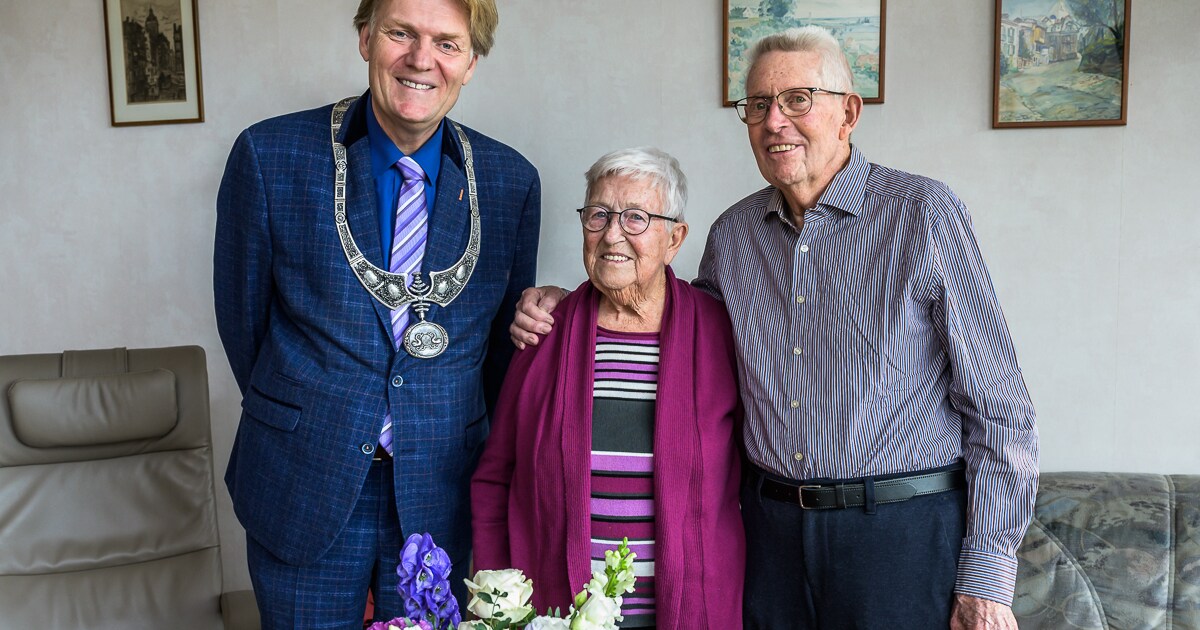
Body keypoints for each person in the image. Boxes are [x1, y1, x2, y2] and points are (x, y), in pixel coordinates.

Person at [509, 26, 1037, 630]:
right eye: (758, 105)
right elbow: (675, 332)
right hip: (769, 537)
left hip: (899, 534)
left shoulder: (924, 213)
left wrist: (989, 578)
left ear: (849, 113)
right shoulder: (733, 235)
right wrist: (561, 300)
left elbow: (1000, 405)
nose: (774, 120)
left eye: (797, 100)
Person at [213, 0, 540, 626]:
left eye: (448, 43)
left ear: (471, 62)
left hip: (442, 487)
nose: (423, 60)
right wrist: (309, 413)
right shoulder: (269, 156)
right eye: (401, 34)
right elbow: (243, 323)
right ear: (366, 39)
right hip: (302, 480)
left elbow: (500, 350)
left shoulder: (510, 181)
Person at [471, 148, 745, 629]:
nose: (612, 233)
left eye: (637, 218)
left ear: (674, 239)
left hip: (693, 607)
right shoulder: (542, 332)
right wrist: (495, 600)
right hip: (556, 613)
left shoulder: (720, 332)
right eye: (598, 214)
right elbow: (496, 477)